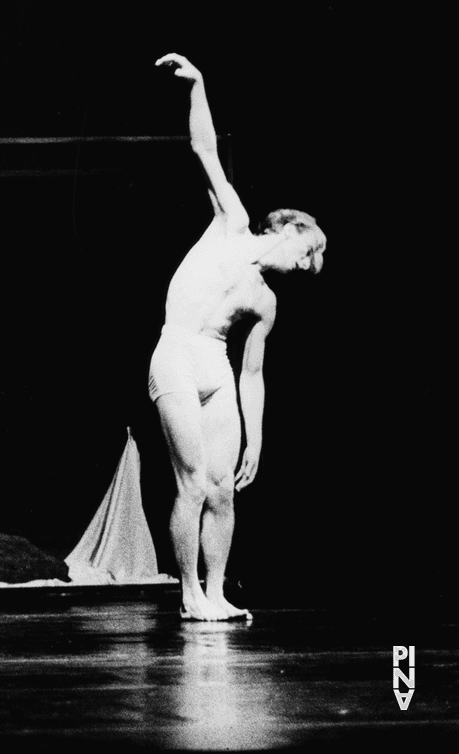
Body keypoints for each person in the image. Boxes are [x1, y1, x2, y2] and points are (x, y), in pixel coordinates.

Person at [150, 53, 326, 622]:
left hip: (215, 365)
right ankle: (188, 595)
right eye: (310, 250)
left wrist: (256, 439)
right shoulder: (233, 222)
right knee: (194, 482)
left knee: (223, 487)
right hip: (176, 351)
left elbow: (252, 372)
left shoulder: (265, 302)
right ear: (290, 229)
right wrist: (198, 84)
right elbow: (205, 150)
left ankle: (217, 591)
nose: (310, 265)